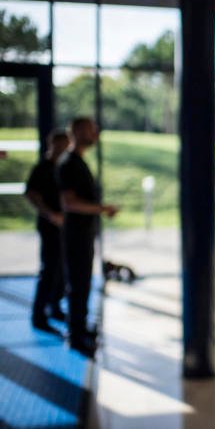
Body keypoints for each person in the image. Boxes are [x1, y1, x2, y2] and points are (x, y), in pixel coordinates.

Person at [57, 117, 119, 357]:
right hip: (75, 234)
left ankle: (80, 329)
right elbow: (69, 203)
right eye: (92, 130)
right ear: (80, 132)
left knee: (83, 283)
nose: (96, 134)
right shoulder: (68, 163)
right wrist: (102, 209)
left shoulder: (78, 162)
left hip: (84, 233)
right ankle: (75, 336)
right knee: (77, 283)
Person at [25, 129, 70, 335]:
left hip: (63, 226)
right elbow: (31, 194)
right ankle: (39, 315)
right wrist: (50, 214)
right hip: (49, 225)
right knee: (49, 269)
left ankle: (55, 307)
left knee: (61, 269)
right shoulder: (43, 168)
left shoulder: (62, 168)